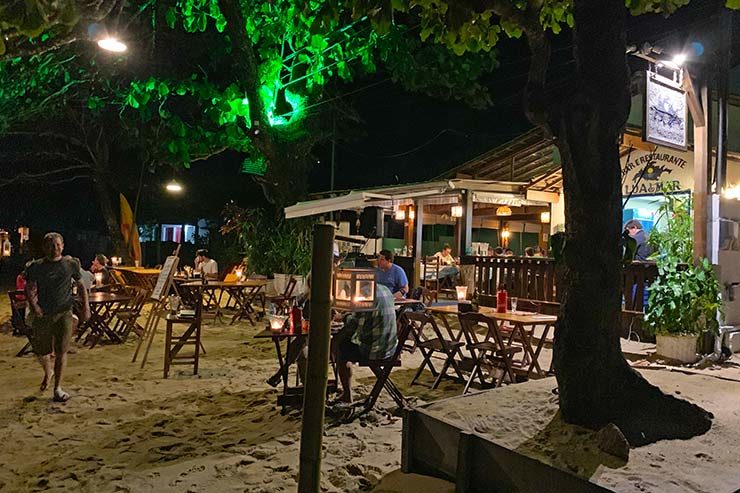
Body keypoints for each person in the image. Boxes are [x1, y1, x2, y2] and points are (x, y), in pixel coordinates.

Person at [25, 232, 90, 402]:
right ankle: (48, 372)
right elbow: (29, 287)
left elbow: (81, 286)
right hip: (44, 314)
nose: (54, 249)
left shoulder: (70, 264)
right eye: (50, 245)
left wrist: (86, 307)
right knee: (42, 350)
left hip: (64, 312)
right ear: (44, 248)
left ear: (63, 246)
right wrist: (34, 306)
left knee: (62, 350)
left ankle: (58, 388)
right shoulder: (36, 266)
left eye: (57, 245)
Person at [332, 283, 398, 403]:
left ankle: (347, 394)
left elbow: (353, 327)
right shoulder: (385, 288)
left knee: (339, 347)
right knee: (343, 342)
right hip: (391, 346)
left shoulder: (365, 297)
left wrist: (343, 316)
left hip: (374, 350)